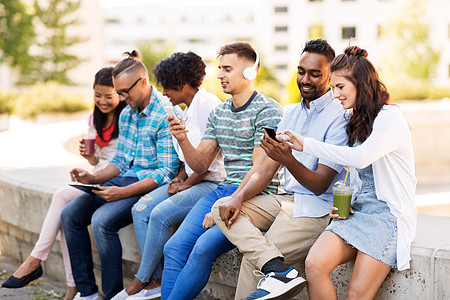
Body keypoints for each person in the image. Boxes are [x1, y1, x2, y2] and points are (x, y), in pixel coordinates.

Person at [212, 39, 350, 300]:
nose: (305, 79)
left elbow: (320, 184)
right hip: (287, 200)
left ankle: (274, 269)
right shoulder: (291, 114)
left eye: (314, 73)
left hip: (319, 207)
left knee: (254, 263)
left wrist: (288, 159)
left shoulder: (339, 117)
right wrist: (238, 197)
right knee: (221, 208)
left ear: (330, 76)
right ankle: (277, 269)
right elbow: (264, 171)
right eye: (301, 71)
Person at [281, 46, 417, 299]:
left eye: (340, 87)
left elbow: (361, 157)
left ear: (361, 84)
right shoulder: (356, 118)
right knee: (314, 265)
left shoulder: (390, 118)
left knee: (356, 295)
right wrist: (346, 202)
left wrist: (306, 144)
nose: (335, 95)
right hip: (359, 211)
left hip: (387, 217)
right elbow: (356, 176)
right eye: (334, 87)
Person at [161, 42, 284, 300]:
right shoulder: (218, 113)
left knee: (202, 248)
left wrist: (225, 203)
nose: (219, 75)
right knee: (174, 247)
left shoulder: (268, 110)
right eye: (219, 69)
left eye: (227, 69)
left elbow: (260, 170)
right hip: (223, 191)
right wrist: (182, 138)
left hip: (252, 197)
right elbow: (200, 165)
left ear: (250, 71)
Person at [60, 51, 180, 300]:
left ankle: (113, 293)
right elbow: (121, 161)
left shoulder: (164, 114)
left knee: (103, 222)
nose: (122, 98)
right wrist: (93, 178)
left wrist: (122, 193)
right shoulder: (127, 113)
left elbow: (166, 172)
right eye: (119, 92)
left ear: (144, 82)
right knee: (70, 214)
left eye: (125, 92)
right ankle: (87, 292)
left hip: (146, 185)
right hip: (123, 179)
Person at [1, 67, 126, 300]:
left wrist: (97, 170)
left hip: (116, 180)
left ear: (120, 93)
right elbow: (97, 160)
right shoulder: (93, 118)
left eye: (109, 96)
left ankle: (40, 263)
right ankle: (68, 282)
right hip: (96, 178)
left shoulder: (127, 118)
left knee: (64, 206)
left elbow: (124, 161)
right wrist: (89, 158)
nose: (102, 101)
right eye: (97, 95)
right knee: (64, 209)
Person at [111, 52, 225, 300]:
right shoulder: (185, 109)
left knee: (160, 214)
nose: (163, 93)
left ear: (182, 85)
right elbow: (188, 157)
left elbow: (208, 160)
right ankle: (154, 281)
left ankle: (141, 281)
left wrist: (187, 184)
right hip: (194, 180)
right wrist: (182, 176)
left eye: (166, 87)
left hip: (211, 184)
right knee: (141, 210)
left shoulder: (207, 104)